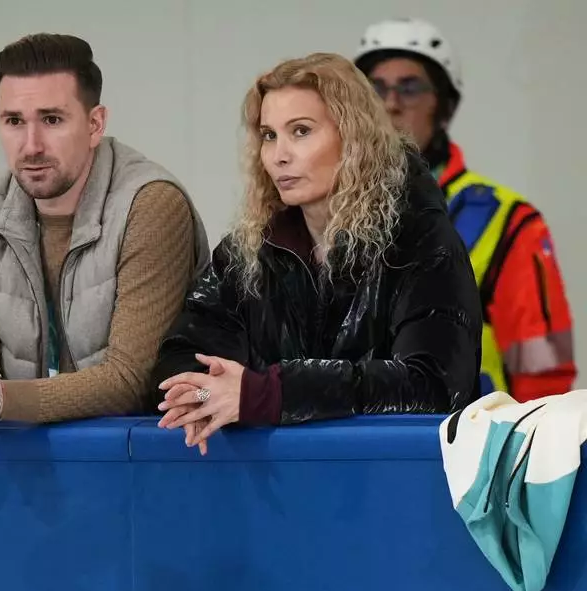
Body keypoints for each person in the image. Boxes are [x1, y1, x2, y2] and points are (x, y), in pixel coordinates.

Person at [150, 53, 481, 453]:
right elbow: (182, 357)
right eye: (269, 135)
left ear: (354, 139)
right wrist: (202, 395)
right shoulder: (249, 249)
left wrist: (268, 393)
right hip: (283, 489)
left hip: (393, 486)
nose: (278, 155)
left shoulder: (420, 239)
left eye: (301, 131)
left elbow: (433, 385)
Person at [0, 33, 209, 434]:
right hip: (31, 465)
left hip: (144, 462)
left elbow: (130, 382)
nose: (31, 145)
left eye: (52, 120)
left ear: (95, 123)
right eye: (14, 121)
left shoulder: (151, 205)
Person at [355, 18, 575, 402]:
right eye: (375, 88)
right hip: (351, 450)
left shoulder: (508, 222)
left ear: (442, 105)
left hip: (471, 448)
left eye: (410, 88)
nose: (390, 103)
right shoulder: (320, 212)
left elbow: (544, 374)